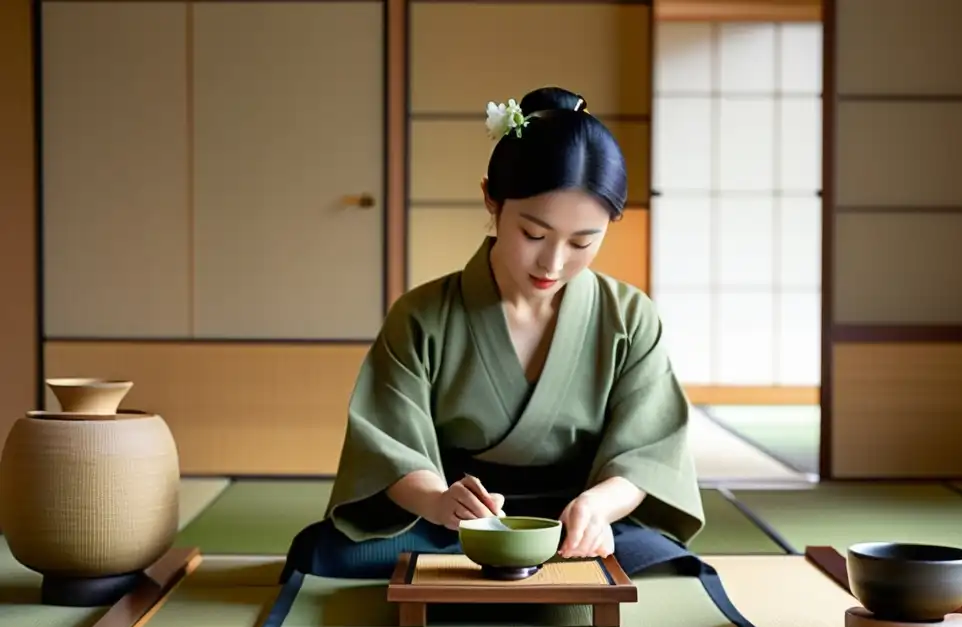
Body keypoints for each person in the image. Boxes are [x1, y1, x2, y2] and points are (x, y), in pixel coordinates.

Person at [280, 86, 705, 582]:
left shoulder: (629, 316)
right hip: (455, 523)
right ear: (491, 198)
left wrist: (598, 507)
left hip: (574, 525)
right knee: (321, 553)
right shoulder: (421, 315)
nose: (553, 262)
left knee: (670, 564)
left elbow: (650, 451)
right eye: (534, 234)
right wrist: (438, 501)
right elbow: (389, 445)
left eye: (583, 242)